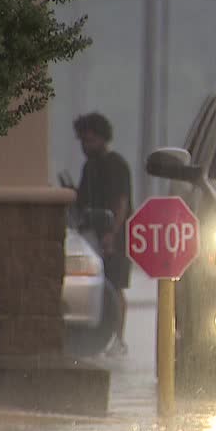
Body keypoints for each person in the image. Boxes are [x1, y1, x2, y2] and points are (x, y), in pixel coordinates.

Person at [74, 112, 132, 357]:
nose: (87, 146)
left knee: (116, 288)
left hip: (117, 237)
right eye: (83, 141)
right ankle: (99, 337)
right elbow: (82, 200)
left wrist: (112, 234)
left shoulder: (116, 164)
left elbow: (122, 203)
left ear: (102, 138)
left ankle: (119, 339)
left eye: (91, 141)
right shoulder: (89, 167)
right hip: (93, 237)